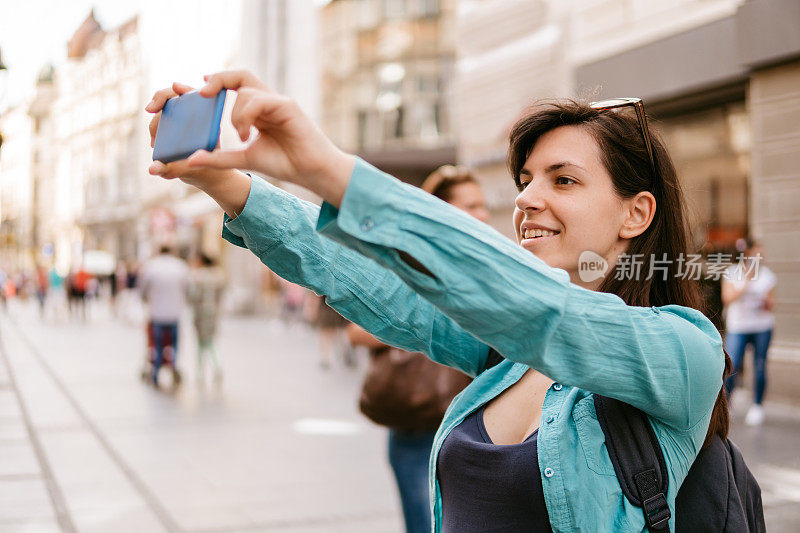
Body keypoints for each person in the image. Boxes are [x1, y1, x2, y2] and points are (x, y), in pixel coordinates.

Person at [146, 74, 728, 531]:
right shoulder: (504, 352)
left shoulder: (684, 350)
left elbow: (548, 313)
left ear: (637, 213)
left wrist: (327, 168)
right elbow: (367, 281)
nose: (527, 198)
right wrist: (222, 179)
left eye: (563, 180)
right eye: (526, 179)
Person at [347, 164, 488, 533]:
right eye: (470, 206)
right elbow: (355, 333)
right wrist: (423, 326)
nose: (482, 214)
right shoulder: (407, 260)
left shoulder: (489, 264)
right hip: (416, 423)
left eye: (482, 205)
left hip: (475, 425)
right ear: (442, 209)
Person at [722, 238, 776, 426]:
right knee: (732, 364)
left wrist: (766, 303)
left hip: (762, 326)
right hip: (738, 326)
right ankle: (726, 404)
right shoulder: (732, 273)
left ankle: (757, 406)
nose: (760, 257)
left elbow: (771, 303)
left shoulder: (767, 275)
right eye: (756, 253)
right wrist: (746, 280)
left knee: (760, 364)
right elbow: (727, 297)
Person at [138, 245, 190, 387]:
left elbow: (142, 290)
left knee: (158, 345)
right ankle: (173, 366)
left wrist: (145, 299)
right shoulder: (180, 266)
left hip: (157, 314)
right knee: (174, 345)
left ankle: (156, 372)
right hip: (175, 314)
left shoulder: (151, 266)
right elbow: (188, 289)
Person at [188, 252, 226, 384]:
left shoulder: (198, 276)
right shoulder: (218, 276)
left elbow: (193, 296)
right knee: (210, 342)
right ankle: (216, 366)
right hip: (213, 313)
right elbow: (220, 295)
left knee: (200, 343)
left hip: (200, 313)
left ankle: (200, 373)